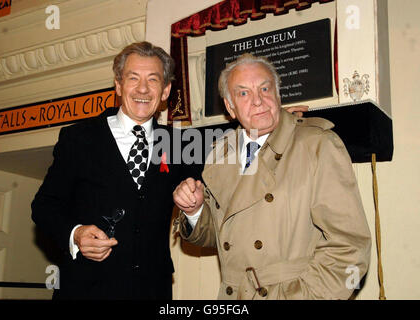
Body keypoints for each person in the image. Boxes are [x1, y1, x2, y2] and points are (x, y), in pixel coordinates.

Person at [173, 53, 371, 300]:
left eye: (265, 88)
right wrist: (194, 211)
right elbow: (226, 234)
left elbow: (350, 246)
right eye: (243, 93)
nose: (257, 101)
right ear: (230, 107)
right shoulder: (221, 153)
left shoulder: (316, 145)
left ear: (278, 95)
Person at [32, 41, 200, 300]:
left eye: (153, 80)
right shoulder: (79, 138)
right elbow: (44, 206)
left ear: (165, 91)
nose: (143, 88)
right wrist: (75, 234)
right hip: (85, 291)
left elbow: (205, 212)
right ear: (119, 85)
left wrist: (194, 208)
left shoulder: (182, 145)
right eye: (133, 78)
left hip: (152, 290)